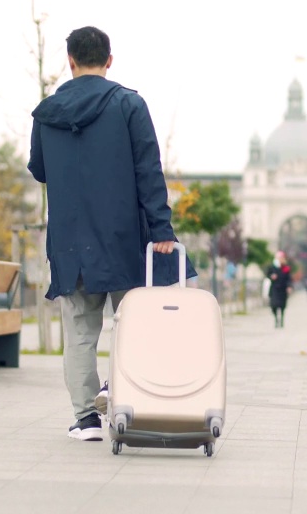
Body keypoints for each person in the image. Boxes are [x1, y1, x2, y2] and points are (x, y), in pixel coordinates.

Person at [27, 25, 196, 442]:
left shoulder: (46, 113)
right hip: (123, 239)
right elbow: (148, 170)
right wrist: (161, 229)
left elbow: (39, 168)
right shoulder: (128, 105)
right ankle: (120, 393)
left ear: (69, 61)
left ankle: (85, 419)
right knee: (133, 323)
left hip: (69, 241)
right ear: (109, 60)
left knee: (80, 332)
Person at [266, 251, 292, 328]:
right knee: (273, 305)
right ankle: (276, 319)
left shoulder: (286, 268)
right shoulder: (272, 267)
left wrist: (289, 286)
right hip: (274, 289)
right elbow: (267, 274)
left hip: (283, 289)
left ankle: (281, 320)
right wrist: (271, 276)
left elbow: (288, 279)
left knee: (282, 306)